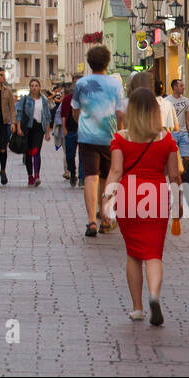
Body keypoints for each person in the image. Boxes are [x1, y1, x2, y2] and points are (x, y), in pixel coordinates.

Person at [101, 89, 180, 325]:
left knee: (134, 254)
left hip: (129, 196)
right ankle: (154, 295)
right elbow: (174, 175)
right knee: (154, 253)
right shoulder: (166, 139)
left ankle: (137, 308)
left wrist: (106, 199)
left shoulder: (121, 138)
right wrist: (178, 205)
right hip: (156, 196)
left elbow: (115, 171)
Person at [72, 46, 127, 237]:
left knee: (90, 177)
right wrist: (120, 132)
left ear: (89, 62)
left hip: (87, 136)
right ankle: (105, 217)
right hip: (110, 137)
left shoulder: (81, 84)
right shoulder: (115, 85)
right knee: (107, 177)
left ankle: (91, 222)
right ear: (107, 61)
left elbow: (75, 111)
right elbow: (121, 114)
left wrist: (83, 122)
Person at [14, 78, 52, 186]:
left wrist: (47, 132)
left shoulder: (44, 100)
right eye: (32, 85)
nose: (34, 87)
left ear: (40, 87)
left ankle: (37, 176)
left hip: (39, 128)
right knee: (28, 153)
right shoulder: (25, 99)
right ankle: (30, 176)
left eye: (36, 85)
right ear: (29, 87)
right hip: (27, 128)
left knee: (36, 152)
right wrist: (19, 127)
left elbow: (47, 116)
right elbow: (19, 113)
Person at [167, 79, 189, 163]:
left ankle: (183, 175)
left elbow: (188, 119)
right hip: (171, 134)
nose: (183, 87)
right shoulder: (167, 101)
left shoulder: (186, 101)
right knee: (173, 159)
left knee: (187, 158)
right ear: (174, 87)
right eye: (181, 86)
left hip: (184, 133)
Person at [61, 75, 81, 185]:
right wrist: (64, 129)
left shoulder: (86, 97)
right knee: (70, 155)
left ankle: (82, 178)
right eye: (75, 83)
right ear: (73, 84)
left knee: (83, 156)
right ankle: (72, 172)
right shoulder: (68, 98)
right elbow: (63, 114)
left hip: (84, 131)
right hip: (70, 130)